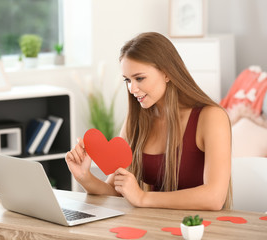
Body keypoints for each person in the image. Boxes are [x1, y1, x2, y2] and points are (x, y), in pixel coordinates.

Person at [65, 32, 232, 210]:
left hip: (198, 229)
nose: (132, 88)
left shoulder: (211, 117)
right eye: (127, 80)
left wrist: (143, 198)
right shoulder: (135, 121)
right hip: (153, 224)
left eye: (139, 78)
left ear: (167, 73)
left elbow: (214, 198)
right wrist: (84, 176)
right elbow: (115, 191)